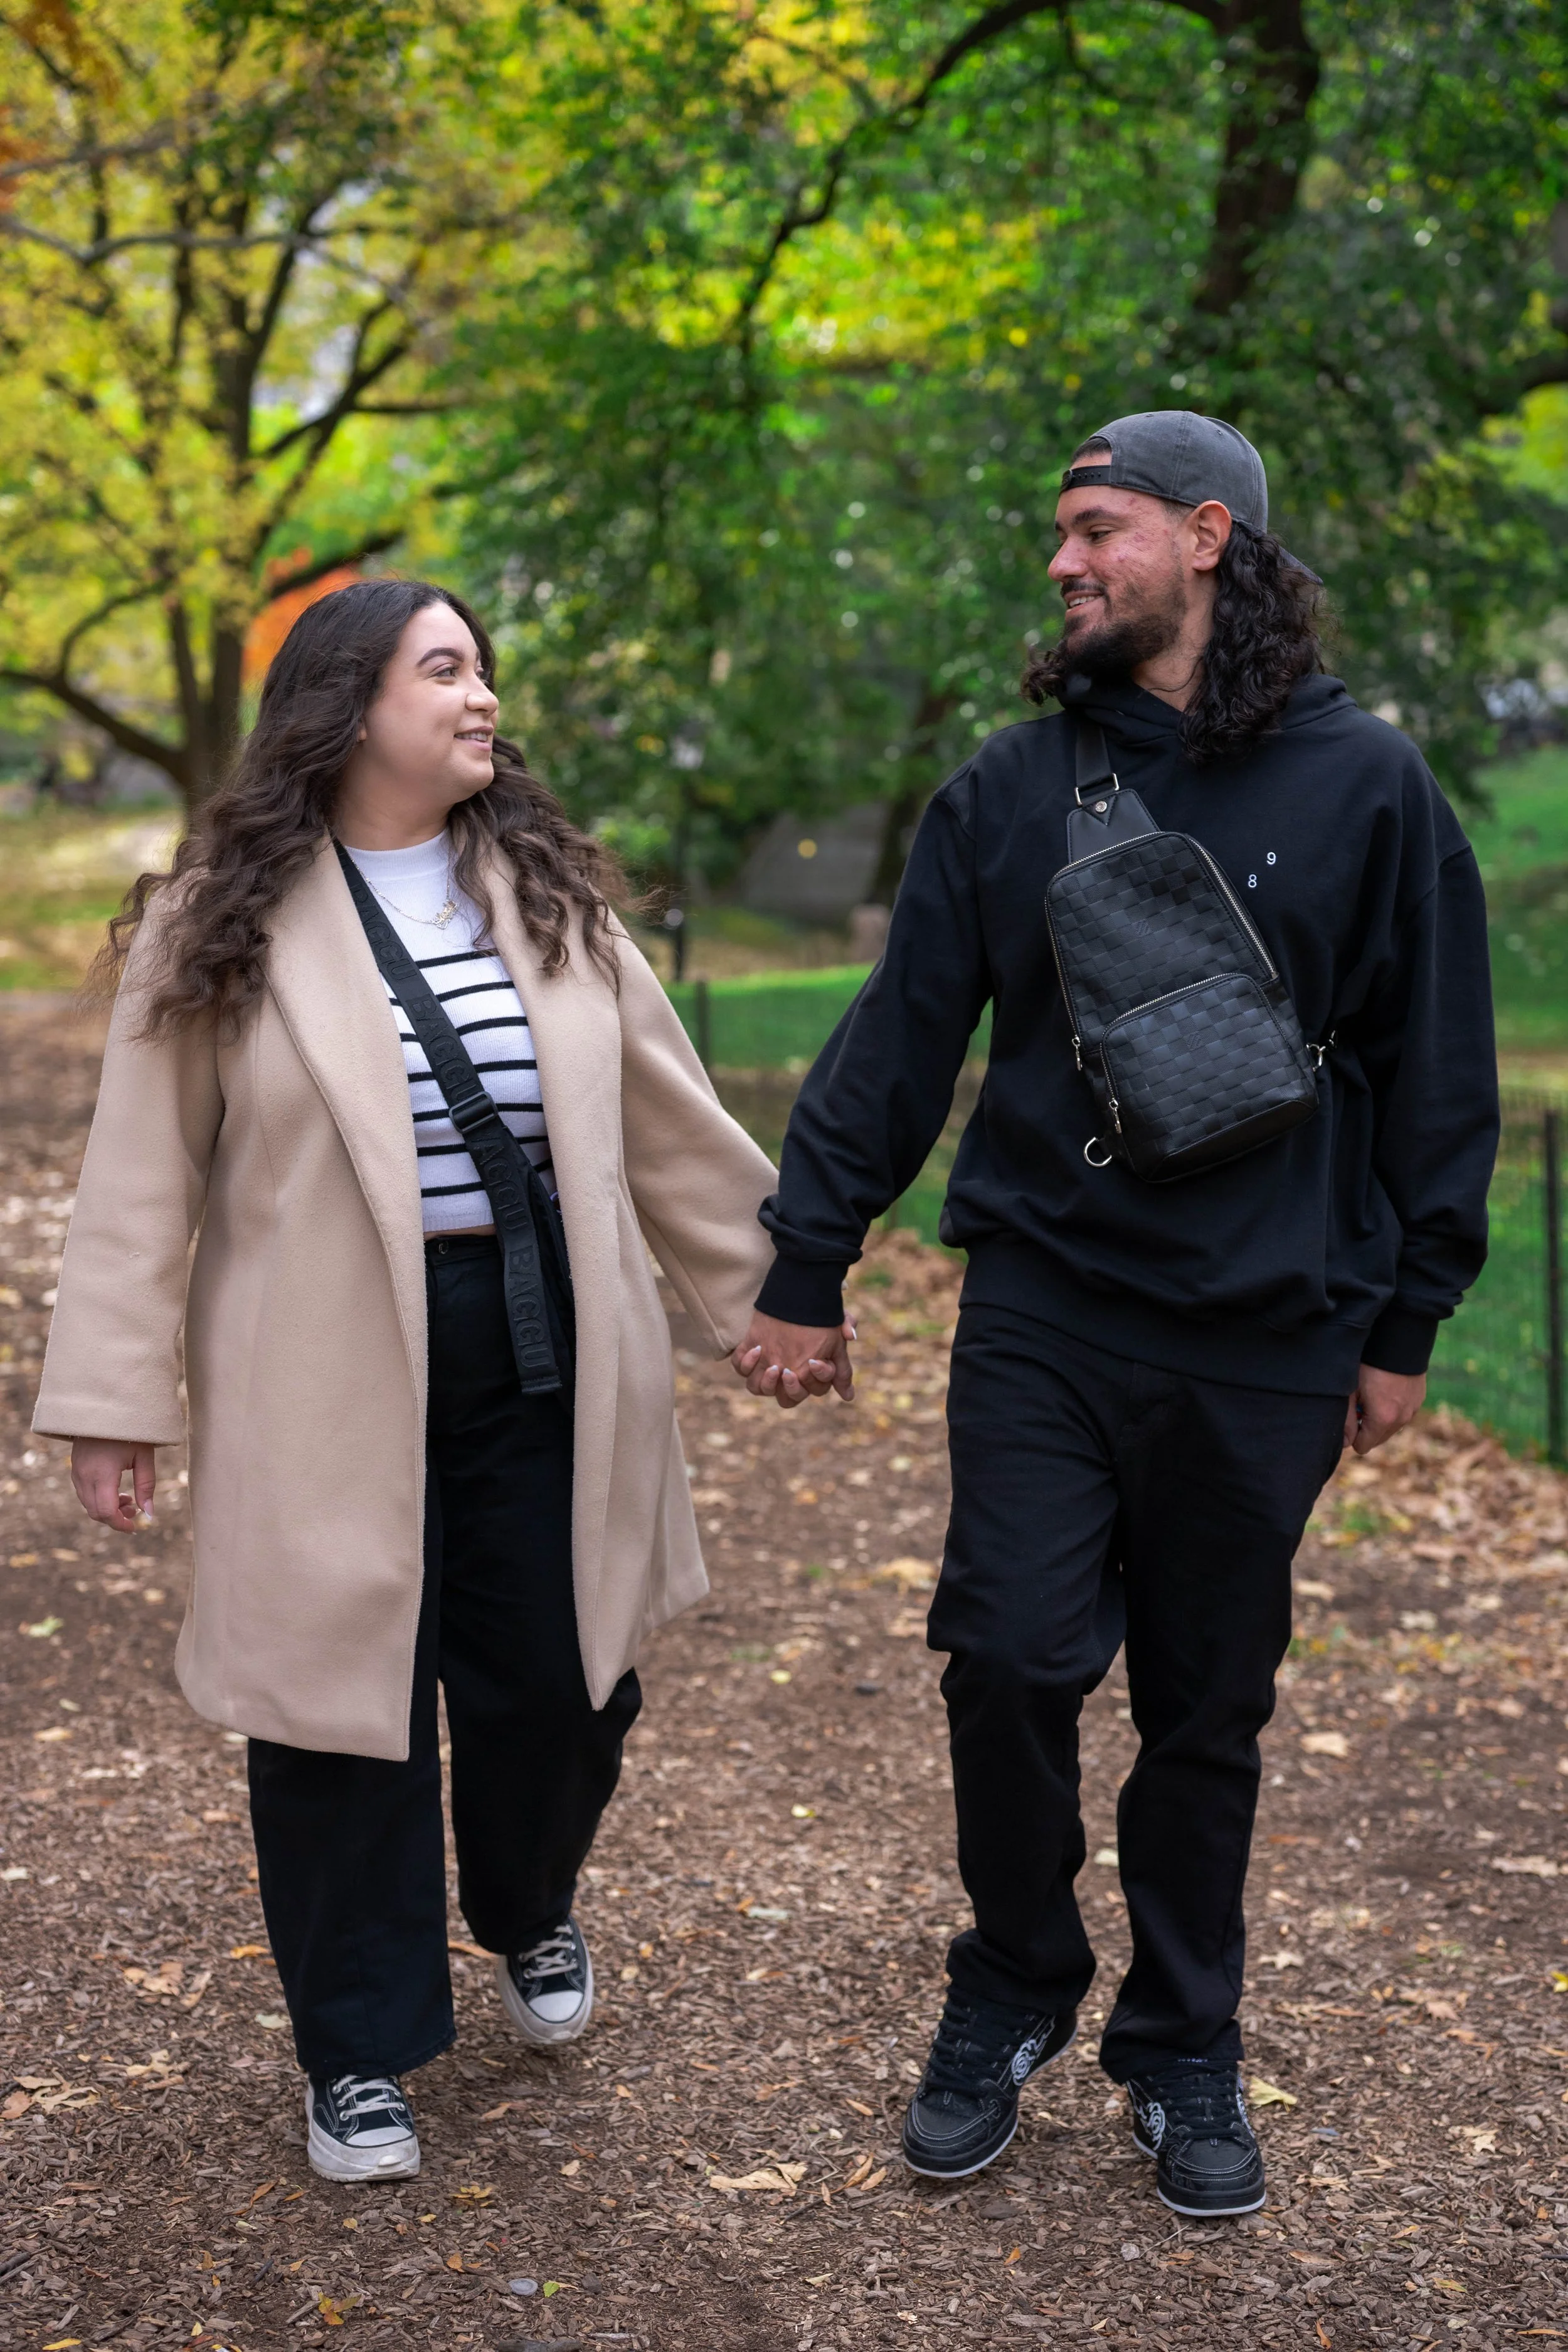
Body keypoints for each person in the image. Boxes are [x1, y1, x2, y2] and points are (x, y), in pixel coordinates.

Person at [731, 413, 1498, 2216]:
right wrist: (805, 1256)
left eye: (1097, 529)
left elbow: (1432, 1065)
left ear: (1206, 535)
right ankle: (1007, 1985)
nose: (1065, 562)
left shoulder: (1369, 784)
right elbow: (901, 1029)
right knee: (1004, 1653)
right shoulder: (1005, 790)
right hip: (1046, 1308)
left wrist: (1409, 1317)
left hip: (1269, 1328)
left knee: (1205, 1710)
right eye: (1058, 537)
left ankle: (1182, 2046)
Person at [34, 579, 776, 2183]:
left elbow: (669, 1125)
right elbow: (139, 1179)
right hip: (320, 1368)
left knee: (567, 1685)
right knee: (337, 1722)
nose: (481, 694)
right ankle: (357, 2047)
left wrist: (777, 1302)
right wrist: (110, 1398)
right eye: (445, 667)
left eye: (484, 668)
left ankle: (525, 1904)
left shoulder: (553, 900)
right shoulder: (218, 918)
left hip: (546, 1349)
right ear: (348, 701)